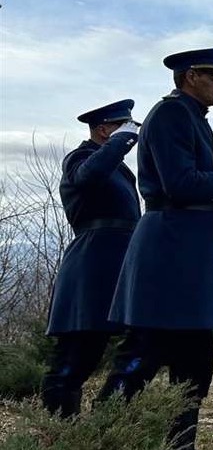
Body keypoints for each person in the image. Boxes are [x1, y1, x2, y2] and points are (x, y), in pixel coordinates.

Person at [107, 48, 213, 450]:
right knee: (144, 349)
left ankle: (180, 449)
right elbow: (179, 183)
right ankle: (103, 438)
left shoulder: (193, 118)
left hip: (189, 246)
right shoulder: (171, 115)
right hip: (169, 246)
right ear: (189, 77)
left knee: (193, 357)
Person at [41, 99, 141, 418]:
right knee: (74, 358)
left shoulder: (119, 168)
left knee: (140, 344)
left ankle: (104, 417)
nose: (131, 134)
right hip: (91, 267)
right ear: (102, 130)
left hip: (121, 265)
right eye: (122, 126)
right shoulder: (80, 158)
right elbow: (89, 176)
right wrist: (120, 141)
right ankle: (60, 433)